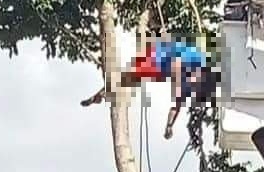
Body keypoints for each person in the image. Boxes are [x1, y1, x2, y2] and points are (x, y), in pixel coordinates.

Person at [81, 34, 219, 139]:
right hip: (160, 59)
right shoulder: (197, 60)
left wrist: (169, 125)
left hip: (161, 65)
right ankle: (100, 94)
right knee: (128, 77)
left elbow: (176, 106)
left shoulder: (188, 84)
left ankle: (101, 94)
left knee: (129, 77)